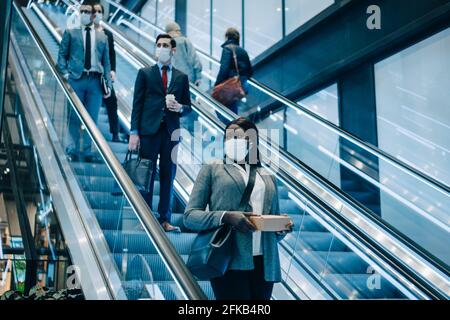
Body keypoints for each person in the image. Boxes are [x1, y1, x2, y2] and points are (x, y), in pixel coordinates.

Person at [184, 117, 293, 300]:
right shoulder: (213, 169)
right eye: (228, 137)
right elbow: (190, 216)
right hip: (228, 258)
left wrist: (282, 228)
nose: (231, 141)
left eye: (237, 137)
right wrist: (226, 216)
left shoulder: (266, 176)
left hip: (265, 261)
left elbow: (273, 222)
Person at [129, 34, 191, 232]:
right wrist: (134, 132)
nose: (162, 48)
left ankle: (165, 219)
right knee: (146, 174)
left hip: (171, 132)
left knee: (168, 175)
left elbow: (188, 106)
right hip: (148, 131)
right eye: (159, 45)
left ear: (173, 50)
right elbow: (137, 104)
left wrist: (180, 107)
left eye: (166, 45)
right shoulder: (145, 73)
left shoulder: (181, 77)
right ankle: (145, 218)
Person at [57, 3, 112, 162]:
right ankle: (71, 148)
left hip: (95, 81)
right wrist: (66, 73)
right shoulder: (71, 33)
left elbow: (107, 63)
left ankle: (88, 151)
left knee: (92, 118)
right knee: (73, 116)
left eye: (88, 12)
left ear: (93, 15)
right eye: (82, 12)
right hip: (76, 79)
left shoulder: (103, 37)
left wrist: (108, 84)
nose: (85, 14)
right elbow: (62, 55)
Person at [93, 3, 125, 143]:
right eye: (95, 11)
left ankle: (116, 133)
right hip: (91, 73)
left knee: (112, 101)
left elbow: (112, 54)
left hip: (104, 73)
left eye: (100, 11)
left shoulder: (107, 34)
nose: (97, 13)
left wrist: (113, 70)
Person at [214, 28, 253, 121]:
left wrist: (217, 84)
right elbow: (250, 71)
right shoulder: (243, 51)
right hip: (243, 86)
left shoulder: (227, 49)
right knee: (232, 107)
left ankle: (231, 130)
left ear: (227, 37)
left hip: (231, 85)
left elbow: (224, 69)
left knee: (219, 106)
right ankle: (234, 128)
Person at [165, 21, 203, 87]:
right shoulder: (184, 41)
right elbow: (195, 59)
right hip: (188, 79)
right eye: (179, 30)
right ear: (176, 31)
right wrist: (198, 77)